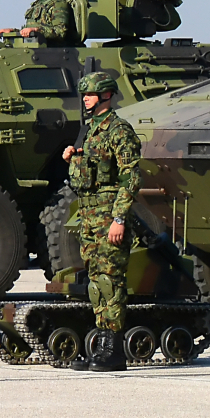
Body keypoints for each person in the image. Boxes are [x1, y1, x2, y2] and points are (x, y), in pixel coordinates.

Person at [62, 72, 142, 372]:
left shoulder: (119, 130)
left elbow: (131, 177)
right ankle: (101, 344)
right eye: (84, 94)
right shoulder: (89, 131)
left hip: (109, 215)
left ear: (106, 96)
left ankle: (114, 349)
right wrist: (73, 159)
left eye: (90, 94)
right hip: (89, 216)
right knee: (96, 284)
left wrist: (119, 218)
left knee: (110, 282)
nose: (85, 98)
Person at [0, 0, 75, 45]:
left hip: (50, 50)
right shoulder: (38, 4)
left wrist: (37, 30)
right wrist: (13, 31)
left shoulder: (57, 3)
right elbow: (29, 31)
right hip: (33, 48)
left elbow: (60, 32)